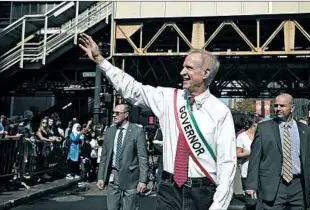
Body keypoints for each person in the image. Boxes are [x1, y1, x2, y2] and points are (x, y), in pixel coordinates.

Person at [79, 33, 236, 210]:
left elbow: (227, 162)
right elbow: (133, 89)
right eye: (183, 67)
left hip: (202, 192)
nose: (182, 72)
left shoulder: (220, 112)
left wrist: (219, 206)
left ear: (206, 73)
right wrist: (101, 60)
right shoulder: (169, 98)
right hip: (169, 189)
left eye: (189, 68)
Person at [245, 93, 310, 210]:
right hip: (273, 185)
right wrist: (251, 185)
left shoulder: (307, 131)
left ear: (292, 107)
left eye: (282, 106)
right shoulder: (264, 128)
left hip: (299, 187)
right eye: (276, 105)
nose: (278, 109)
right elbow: (255, 158)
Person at [97, 104, 148, 210]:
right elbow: (104, 157)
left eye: (117, 113)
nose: (114, 115)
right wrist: (101, 177)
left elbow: (142, 157)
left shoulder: (137, 131)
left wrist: (143, 180)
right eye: (113, 113)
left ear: (126, 114)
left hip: (131, 178)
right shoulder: (110, 131)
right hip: (113, 177)